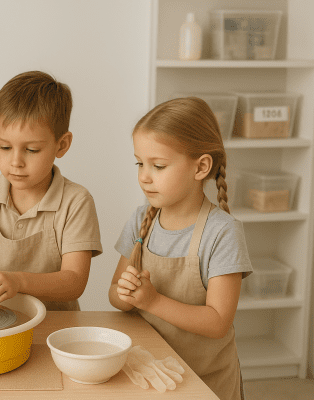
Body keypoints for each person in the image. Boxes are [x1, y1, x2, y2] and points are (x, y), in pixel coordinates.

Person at [108, 97, 253, 399]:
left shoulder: (223, 232)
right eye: (140, 163)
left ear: (201, 167)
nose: (144, 176)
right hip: (152, 373)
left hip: (207, 380)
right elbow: (115, 295)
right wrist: (127, 294)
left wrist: (152, 301)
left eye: (158, 165)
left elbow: (217, 323)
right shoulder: (141, 219)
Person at [0, 71, 103, 311]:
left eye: (31, 150)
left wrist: (18, 281)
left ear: (62, 145)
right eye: (4, 146)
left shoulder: (76, 201)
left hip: (54, 326)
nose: (15, 162)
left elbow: (74, 281)